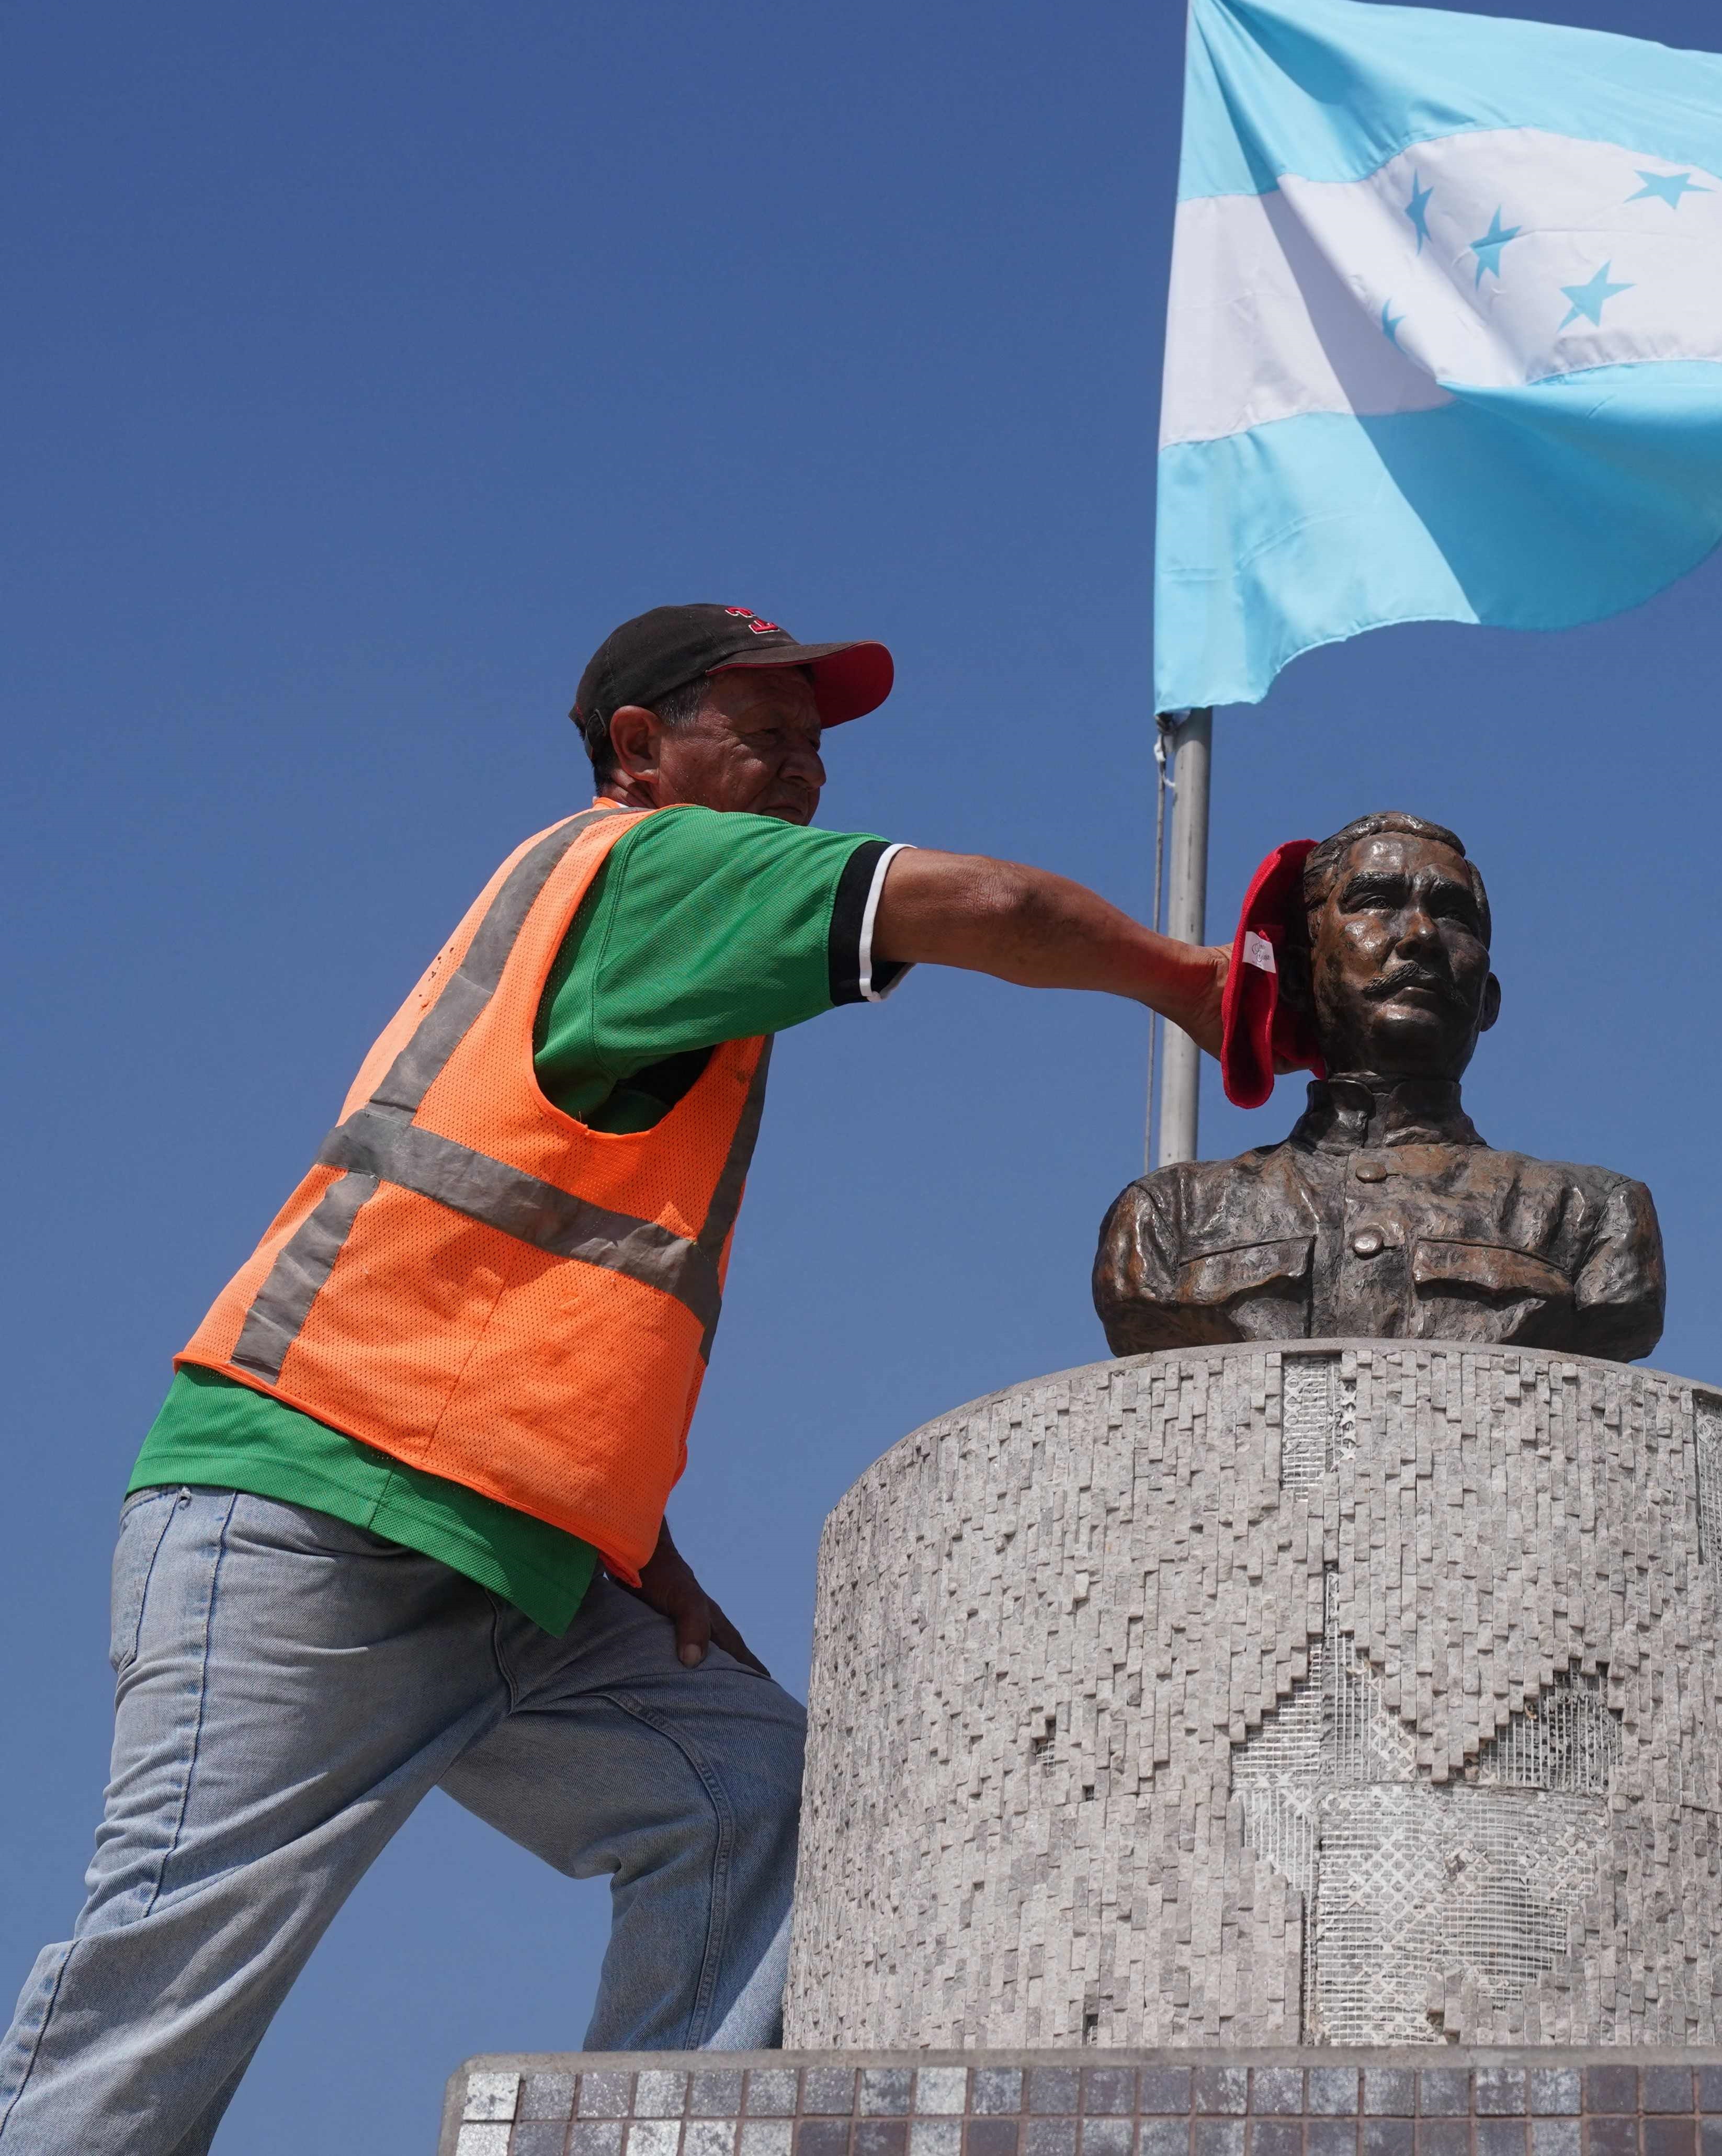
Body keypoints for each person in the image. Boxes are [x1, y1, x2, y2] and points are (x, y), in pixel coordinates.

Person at [0, 604, 1231, 2154]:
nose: (801, 769)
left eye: (816, 745)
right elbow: (973, 899)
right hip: (315, 1514)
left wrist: (638, 1546)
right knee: (159, 2008)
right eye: (762, 733)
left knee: (761, 1808)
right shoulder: (645, 865)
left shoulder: (648, 934)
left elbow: (541, 1299)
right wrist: (1190, 983)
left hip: (519, 1564)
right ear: (639, 753)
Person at [1092, 811, 1661, 1361]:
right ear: (1296, 978)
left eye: (1453, 914)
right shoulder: (1170, 1218)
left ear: (1488, 1001)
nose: (1419, 935)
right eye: (1376, 902)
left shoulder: (1593, 1216)